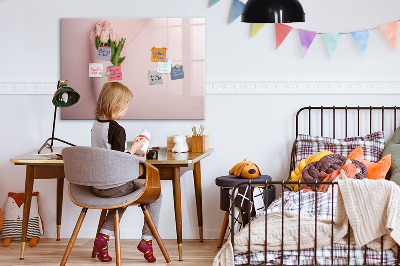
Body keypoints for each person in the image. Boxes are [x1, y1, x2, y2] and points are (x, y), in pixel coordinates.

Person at [91, 82, 161, 263]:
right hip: (114, 186)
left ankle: (103, 238)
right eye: (126, 106)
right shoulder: (117, 129)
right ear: (116, 105)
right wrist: (136, 148)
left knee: (121, 197)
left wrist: (130, 149)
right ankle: (147, 240)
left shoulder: (96, 125)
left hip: (97, 186)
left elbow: (108, 154)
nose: (126, 110)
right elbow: (119, 161)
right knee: (156, 194)